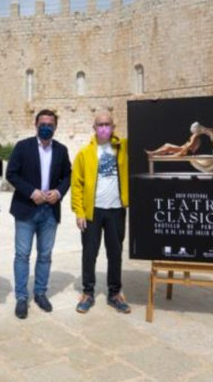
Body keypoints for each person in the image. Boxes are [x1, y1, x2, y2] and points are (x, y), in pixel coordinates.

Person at [6, 109, 72, 319]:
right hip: (26, 209)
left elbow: (67, 175)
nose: (46, 127)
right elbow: (12, 174)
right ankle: (21, 297)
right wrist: (31, 191)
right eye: (42, 123)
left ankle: (41, 293)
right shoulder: (23, 147)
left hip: (49, 211)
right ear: (36, 125)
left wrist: (59, 192)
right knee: (22, 255)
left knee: (45, 255)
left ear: (55, 127)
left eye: (50, 124)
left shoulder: (61, 150)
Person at [71, 110, 131, 314]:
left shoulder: (123, 147)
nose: (104, 128)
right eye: (100, 124)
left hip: (116, 210)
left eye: (107, 124)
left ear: (113, 127)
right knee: (89, 253)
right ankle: (88, 293)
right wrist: (79, 211)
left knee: (115, 253)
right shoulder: (84, 153)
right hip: (92, 211)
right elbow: (77, 184)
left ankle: (114, 293)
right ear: (94, 128)